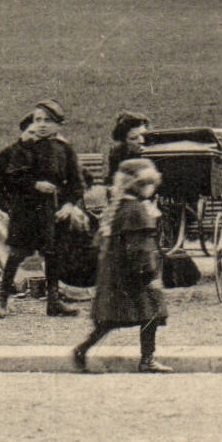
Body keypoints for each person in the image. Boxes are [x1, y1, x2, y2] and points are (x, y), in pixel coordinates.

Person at [0, 100, 92, 319]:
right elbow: (11, 177)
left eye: (48, 121)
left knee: (53, 255)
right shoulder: (24, 148)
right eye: (38, 120)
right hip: (26, 212)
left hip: (53, 213)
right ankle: (2, 299)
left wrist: (69, 205)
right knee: (16, 254)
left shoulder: (65, 150)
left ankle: (53, 302)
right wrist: (34, 184)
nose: (42, 125)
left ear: (58, 125)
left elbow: (77, 183)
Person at [72, 158, 172, 374]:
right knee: (152, 313)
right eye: (149, 184)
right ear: (139, 186)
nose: (152, 188)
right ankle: (147, 359)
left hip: (116, 275)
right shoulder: (136, 210)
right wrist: (150, 273)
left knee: (110, 320)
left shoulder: (118, 207)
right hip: (135, 275)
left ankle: (82, 349)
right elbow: (140, 248)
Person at [106, 111, 149, 178]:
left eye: (145, 136)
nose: (141, 141)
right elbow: (113, 179)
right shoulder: (118, 154)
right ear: (124, 141)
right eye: (134, 138)